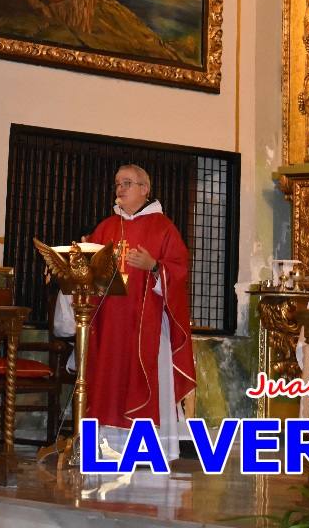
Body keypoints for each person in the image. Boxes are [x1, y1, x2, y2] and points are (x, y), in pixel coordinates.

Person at [83, 165, 195, 461]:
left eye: (127, 183)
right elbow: (90, 276)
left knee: (143, 379)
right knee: (108, 379)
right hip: (109, 325)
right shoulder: (105, 227)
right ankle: (105, 449)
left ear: (145, 189)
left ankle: (148, 449)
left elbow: (180, 272)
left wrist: (155, 267)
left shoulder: (163, 228)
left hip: (147, 326)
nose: (120, 188)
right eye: (118, 183)